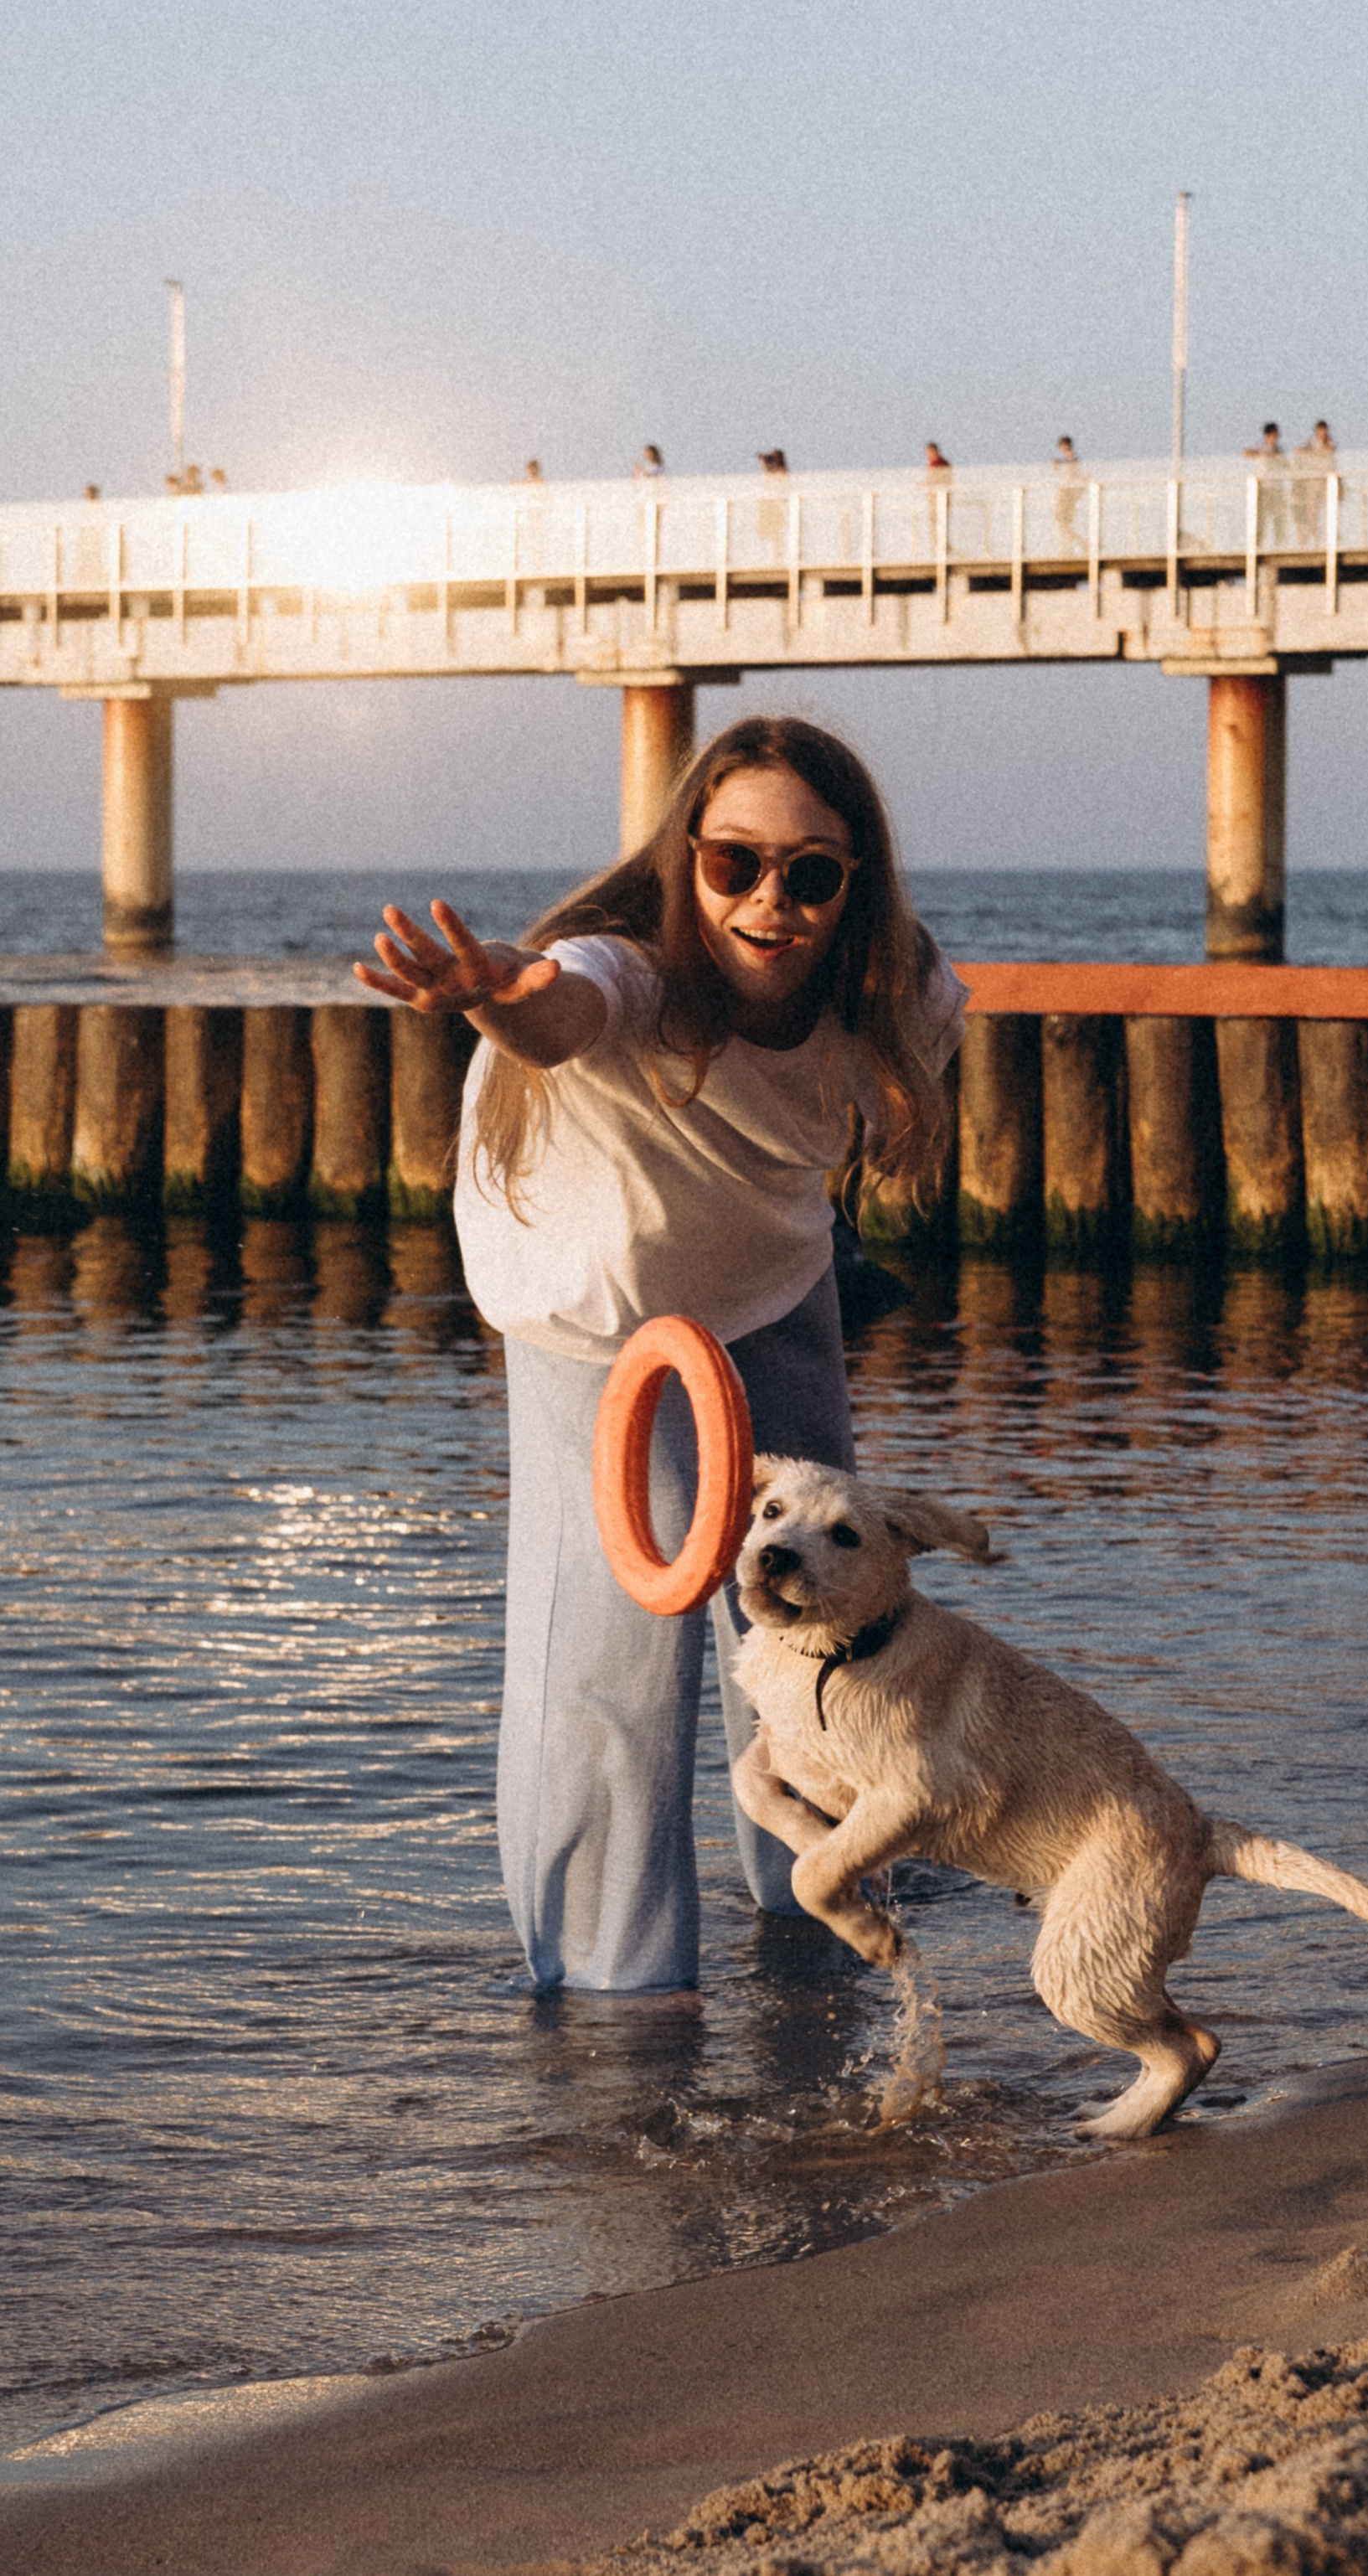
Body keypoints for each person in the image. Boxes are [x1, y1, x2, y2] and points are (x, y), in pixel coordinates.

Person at [352, 717, 967, 1995]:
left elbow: (844, 1102)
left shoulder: (899, 987)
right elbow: (558, 1002)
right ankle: (608, 1990)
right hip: (597, 1312)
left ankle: (821, 1884)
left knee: (821, 1603)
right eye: (734, 861)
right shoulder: (625, 970)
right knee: (620, 1655)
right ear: (686, 860)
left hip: (770, 1279)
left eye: (811, 872)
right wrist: (495, 994)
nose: (769, 900)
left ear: (857, 883)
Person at [1293, 420, 1337, 545]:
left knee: (1329, 509)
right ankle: (1314, 537)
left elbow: (1329, 452)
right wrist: (1315, 454)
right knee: (1312, 510)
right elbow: (1298, 451)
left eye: (1324, 431)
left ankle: (1330, 537)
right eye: (1320, 431)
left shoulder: (1330, 442)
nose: (1322, 433)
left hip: (1326, 481)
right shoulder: (1310, 443)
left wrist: (1314, 454)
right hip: (1312, 481)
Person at [1243, 423, 1288, 545]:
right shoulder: (1260, 446)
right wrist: (1262, 454)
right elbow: (1246, 452)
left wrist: (1277, 457)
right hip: (1263, 487)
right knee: (1261, 517)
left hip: (1277, 487)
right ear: (1270, 434)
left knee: (1278, 516)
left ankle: (1280, 543)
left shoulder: (1279, 449)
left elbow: (1286, 465)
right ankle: (1258, 543)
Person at [1052, 434, 1082, 552]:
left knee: (1062, 521)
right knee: (1063, 522)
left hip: (1067, 492)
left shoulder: (1072, 459)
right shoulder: (1069, 459)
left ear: (1065, 446)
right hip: (1066, 491)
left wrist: (1059, 465)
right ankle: (1069, 547)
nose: (1060, 449)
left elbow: (1072, 471)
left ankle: (1079, 543)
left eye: (1061, 446)